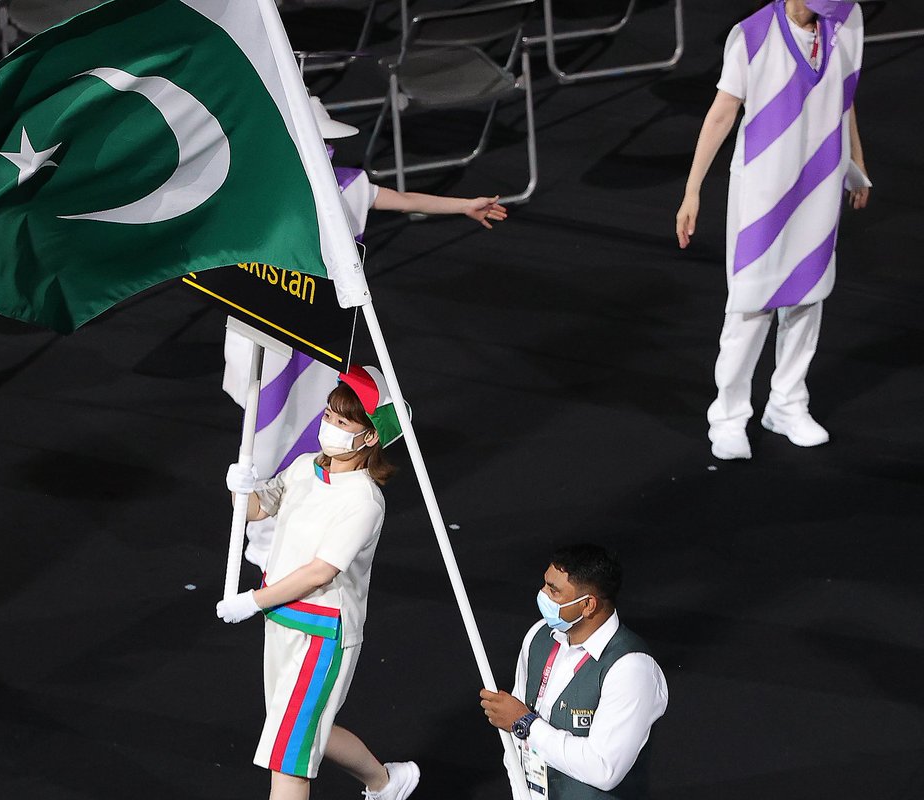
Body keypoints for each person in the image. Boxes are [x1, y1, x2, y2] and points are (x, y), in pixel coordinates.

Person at [222, 96, 506, 570]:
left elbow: (406, 199)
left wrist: (464, 206)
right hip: (270, 329)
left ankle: (289, 536)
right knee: (266, 431)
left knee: (313, 426)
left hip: (318, 335)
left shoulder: (346, 188)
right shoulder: (260, 188)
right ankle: (263, 531)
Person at [675, 0, 869, 460]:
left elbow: (845, 94)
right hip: (762, 187)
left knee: (809, 293)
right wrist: (693, 189)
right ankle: (728, 415)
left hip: (819, 175)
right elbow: (723, 112)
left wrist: (857, 162)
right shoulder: (752, 35)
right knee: (751, 301)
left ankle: (786, 403)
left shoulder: (845, 22)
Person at [215, 365, 418, 800]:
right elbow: (254, 510)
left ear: (369, 437)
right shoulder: (307, 468)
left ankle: (386, 783)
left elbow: (320, 571)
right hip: (281, 619)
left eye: (343, 422)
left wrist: (252, 599)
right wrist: (240, 487)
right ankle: (385, 782)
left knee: (287, 755)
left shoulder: (364, 501)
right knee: (300, 729)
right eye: (329, 414)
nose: (329, 425)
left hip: (321, 634)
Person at [479, 545, 667, 799]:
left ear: (588, 605)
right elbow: (514, 740)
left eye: (553, 591)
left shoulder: (631, 668)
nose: (542, 594)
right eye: (545, 584)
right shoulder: (538, 636)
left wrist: (525, 723)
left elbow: (604, 768)